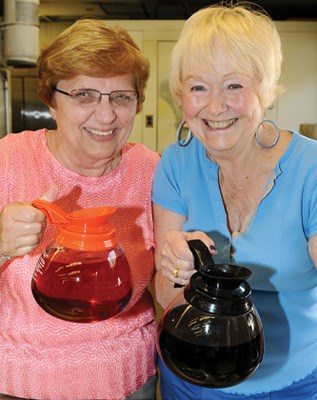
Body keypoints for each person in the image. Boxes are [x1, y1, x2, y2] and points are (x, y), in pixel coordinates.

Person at [152, 2, 317, 399]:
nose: (215, 106)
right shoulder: (175, 162)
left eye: (234, 85)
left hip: (293, 383)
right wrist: (174, 270)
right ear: (180, 97)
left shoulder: (311, 169)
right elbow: (163, 291)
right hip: (188, 374)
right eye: (198, 87)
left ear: (267, 88)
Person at [0, 18, 160, 400]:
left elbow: (169, 281)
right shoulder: (9, 159)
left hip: (129, 380)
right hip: (20, 382)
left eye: (121, 97)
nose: (105, 117)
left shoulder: (150, 170)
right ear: (52, 101)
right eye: (84, 95)